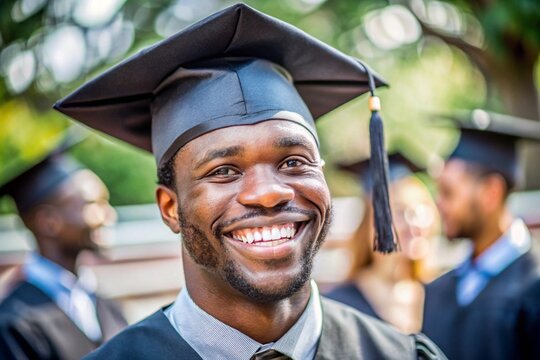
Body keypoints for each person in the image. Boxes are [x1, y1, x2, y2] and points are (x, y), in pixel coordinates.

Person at [55, 4, 445, 359]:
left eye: (294, 161)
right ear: (170, 208)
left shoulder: (400, 354)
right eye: (223, 171)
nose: (269, 192)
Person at [422, 110, 540, 360]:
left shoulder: (534, 286)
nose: (438, 204)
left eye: (448, 192)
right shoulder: (438, 290)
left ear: (491, 193)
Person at [0, 136, 127, 360]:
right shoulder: (12, 324)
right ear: (48, 222)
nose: (109, 215)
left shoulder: (108, 306)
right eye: (92, 204)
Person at [327, 152, 439, 333]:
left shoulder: (441, 298)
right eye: (400, 211)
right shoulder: (340, 306)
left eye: (422, 209)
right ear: (372, 222)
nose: (415, 223)